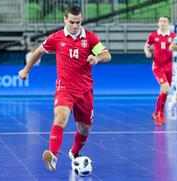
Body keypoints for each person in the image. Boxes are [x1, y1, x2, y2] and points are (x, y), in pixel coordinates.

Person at [18, 5, 111, 171]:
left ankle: (74, 152)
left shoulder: (90, 38)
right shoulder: (57, 37)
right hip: (65, 88)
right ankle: (52, 156)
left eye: (78, 22)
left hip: (85, 90)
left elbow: (107, 55)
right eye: (72, 22)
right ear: (65, 20)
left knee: (84, 129)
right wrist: (26, 69)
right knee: (60, 117)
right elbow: (38, 52)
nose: (75, 26)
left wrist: (97, 57)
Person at [144, 16, 176, 126]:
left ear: (168, 24)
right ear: (158, 23)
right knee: (165, 88)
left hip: (169, 67)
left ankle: (156, 112)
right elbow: (146, 46)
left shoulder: (173, 36)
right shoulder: (153, 35)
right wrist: (147, 52)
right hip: (158, 67)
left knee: (165, 91)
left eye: (165, 21)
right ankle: (160, 114)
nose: (162, 23)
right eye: (161, 21)